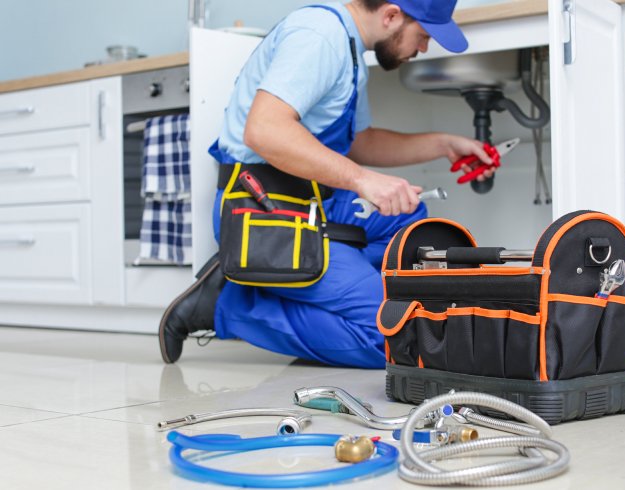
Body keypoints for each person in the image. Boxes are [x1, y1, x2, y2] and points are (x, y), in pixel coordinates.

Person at [159, 0, 494, 368]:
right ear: (391, 15)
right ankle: (226, 305)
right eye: (424, 35)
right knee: (392, 338)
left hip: (313, 198)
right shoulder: (319, 36)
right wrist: (363, 180)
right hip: (264, 208)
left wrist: (445, 145)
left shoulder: (348, 47)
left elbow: (360, 142)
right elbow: (264, 130)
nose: (424, 48)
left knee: (408, 220)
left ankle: (328, 285)